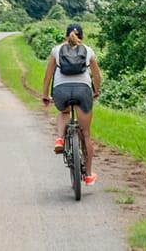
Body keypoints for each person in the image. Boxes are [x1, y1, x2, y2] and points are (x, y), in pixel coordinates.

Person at [41, 23, 103, 185]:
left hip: (61, 91)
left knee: (64, 112)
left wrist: (45, 95)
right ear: (82, 37)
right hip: (83, 91)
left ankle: (60, 139)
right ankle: (88, 175)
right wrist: (95, 91)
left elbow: (47, 77)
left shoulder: (56, 50)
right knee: (87, 135)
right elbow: (97, 77)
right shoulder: (88, 51)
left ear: (65, 36)